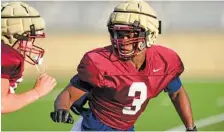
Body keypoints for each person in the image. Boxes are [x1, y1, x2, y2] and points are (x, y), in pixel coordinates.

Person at [50, 0, 197, 131]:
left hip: (126, 128)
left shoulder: (163, 62)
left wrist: (191, 128)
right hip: (95, 126)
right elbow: (69, 93)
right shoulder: (100, 61)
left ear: (149, 34)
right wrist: (62, 108)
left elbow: (177, 93)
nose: (122, 40)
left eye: (130, 34)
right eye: (119, 34)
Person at [1, 2, 57, 114]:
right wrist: (37, 92)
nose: (31, 44)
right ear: (9, 36)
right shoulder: (6, 55)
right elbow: (2, 105)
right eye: (29, 38)